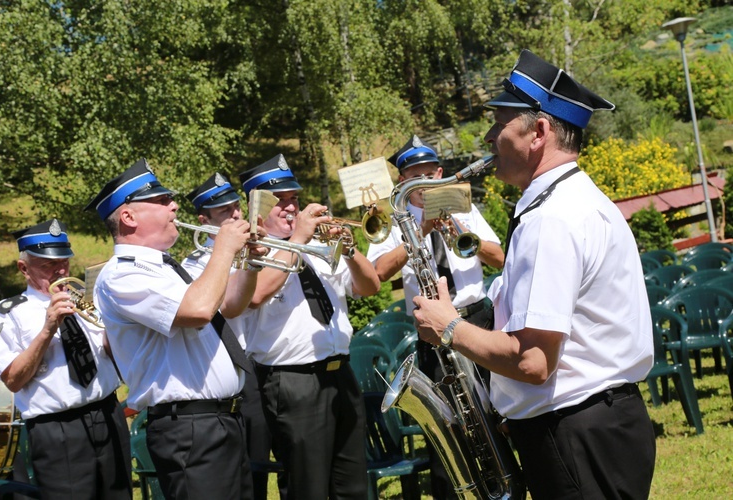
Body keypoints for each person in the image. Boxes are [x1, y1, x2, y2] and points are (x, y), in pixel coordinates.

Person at [411, 50, 656, 499]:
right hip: (590, 429)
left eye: (499, 122)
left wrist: (446, 327)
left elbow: (533, 360)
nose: (487, 136)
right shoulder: (570, 202)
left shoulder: (553, 219)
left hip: (577, 434)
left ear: (538, 131)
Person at [85, 158, 259, 499]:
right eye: (162, 201)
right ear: (129, 217)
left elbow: (231, 305)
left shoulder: (164, 266)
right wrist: (223, 248)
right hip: (190, 431)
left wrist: (251, 261)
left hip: (221, 422)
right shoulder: (122, 274)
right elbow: (199, 309)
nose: (174, 205)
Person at [366, 135, 504, 499]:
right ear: (402, 183)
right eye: (415, 177)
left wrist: (460, 229)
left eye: (430, 175)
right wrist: (422, 230)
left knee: (497, 414)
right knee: (452, 422)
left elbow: (498, 258)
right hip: (434, 331)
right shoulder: (393, 221)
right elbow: (379, 271)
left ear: (441, 173)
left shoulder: (464, 206)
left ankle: (506, 483)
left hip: (478, 319)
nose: (424, 184)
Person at [237, 154, 381, 499]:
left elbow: (369, 286)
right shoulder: (249, 254)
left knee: (352, 486)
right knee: (308, 488)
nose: (290, 208)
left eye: (294, 200)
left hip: (339, 374)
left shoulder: (316, 248)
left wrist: (349, 249)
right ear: (257, 205)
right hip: (293, 382)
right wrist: (298, 239)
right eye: (280, 201)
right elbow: (256, 294)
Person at [0, 218, 132, 499]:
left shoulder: (85, 299)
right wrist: (47, 329)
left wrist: (118, 325)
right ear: (23, 269)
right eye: (48, 265)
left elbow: (112, 354)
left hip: (107, 413)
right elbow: (14, 380)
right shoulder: (8, 312)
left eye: (64, 262)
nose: (60, 270)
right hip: (57, 429)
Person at [181, 172, 285, 500]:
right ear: (203, 220)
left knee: (258, 465)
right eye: (225, 212)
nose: (237, 215)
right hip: (215, 378)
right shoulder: (194, 264)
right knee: (244, 477)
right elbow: (230, 307)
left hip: (249, 372)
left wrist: (253, 259)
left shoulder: (246, 248)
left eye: (236, 207)